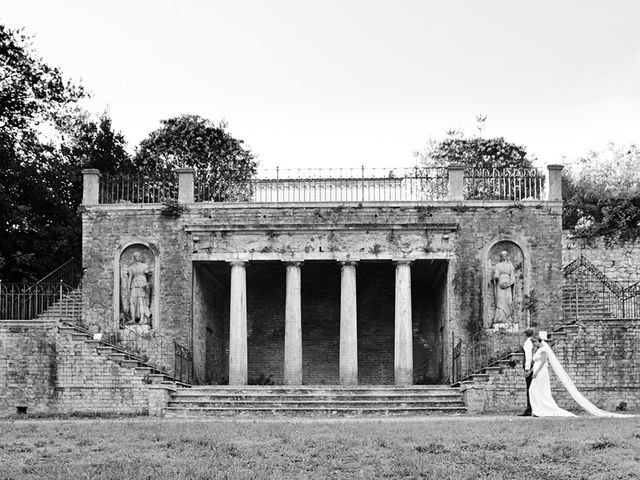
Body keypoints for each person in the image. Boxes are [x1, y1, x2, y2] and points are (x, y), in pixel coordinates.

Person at [529, 331, 630, 418]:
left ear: (538, 341)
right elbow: (536, 362)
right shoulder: (538, 350)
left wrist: (536, 372)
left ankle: (541, 409)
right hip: (537, 371)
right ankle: (537, 409)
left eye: (534, 343)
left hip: (541, 372)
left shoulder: (543, 350)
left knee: (535, 389)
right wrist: (531, 371)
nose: (534, 345)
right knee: (535, 390)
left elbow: (542, 362)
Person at [127, 252, 152, 325]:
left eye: (139, 256)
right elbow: (130, 278)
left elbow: (149, 277)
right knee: (132, 301)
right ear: (134, 257)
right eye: (136, 256)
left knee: (141, 301)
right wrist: (128, 287)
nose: (138, 257)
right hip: (134, 284)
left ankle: (141, 319)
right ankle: (133, 319)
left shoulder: (144, 266)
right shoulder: (131, 267)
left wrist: (147, 284)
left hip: (142, 283)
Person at [492, 251, 515, 324]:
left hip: (508, 284)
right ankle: (500, 319)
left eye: (505, 256)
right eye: (502, 256)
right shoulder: (498, 265)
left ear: (507, 256)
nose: (504, 257)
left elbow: (512, 275)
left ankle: (508, 318)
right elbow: (496, 274)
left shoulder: (510, 265)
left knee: (509, 301)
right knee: (500, 300)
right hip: (500, 284)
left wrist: (511, 282)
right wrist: (496, 277)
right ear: (501, 257)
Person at [518, 328, 535, 416]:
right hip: (531, 367)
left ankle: (529, 409)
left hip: (529, 367)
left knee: (529, 388)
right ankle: (530, 408)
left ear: (526, 334)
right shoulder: (531, 342)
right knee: (530, 388)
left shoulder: (528, 343)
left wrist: (527, 369)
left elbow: (528, 357)